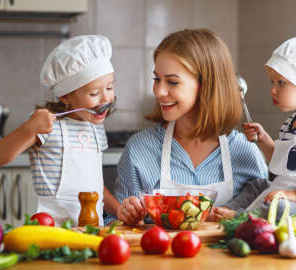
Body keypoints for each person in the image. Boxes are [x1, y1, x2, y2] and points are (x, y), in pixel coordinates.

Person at [109, 29, 268, 225]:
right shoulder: (139, 150)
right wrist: (127, 215)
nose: (159, 91)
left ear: (207, 85)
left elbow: (261, 226)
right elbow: (114, 226)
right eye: (157, 79)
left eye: (172, 82)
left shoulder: (245, 152)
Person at [0, 35, 120, 226]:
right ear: (66, 96)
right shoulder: (47, 126)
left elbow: (95, 185)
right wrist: (29, 129)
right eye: (94, 93)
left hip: (92, 230)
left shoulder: (95, 128)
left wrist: (119, 210)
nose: (105, 98)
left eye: (109, 87)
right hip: (52, 232)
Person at [212, 36, 296, 221]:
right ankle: (224, 211)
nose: (273, 90)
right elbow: (282, 165)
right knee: (258, 184)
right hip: (285, 189)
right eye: (272, 82)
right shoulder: (291, 122)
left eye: (280, 82)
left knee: (280, 207)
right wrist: (264, 140)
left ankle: (239, 217)